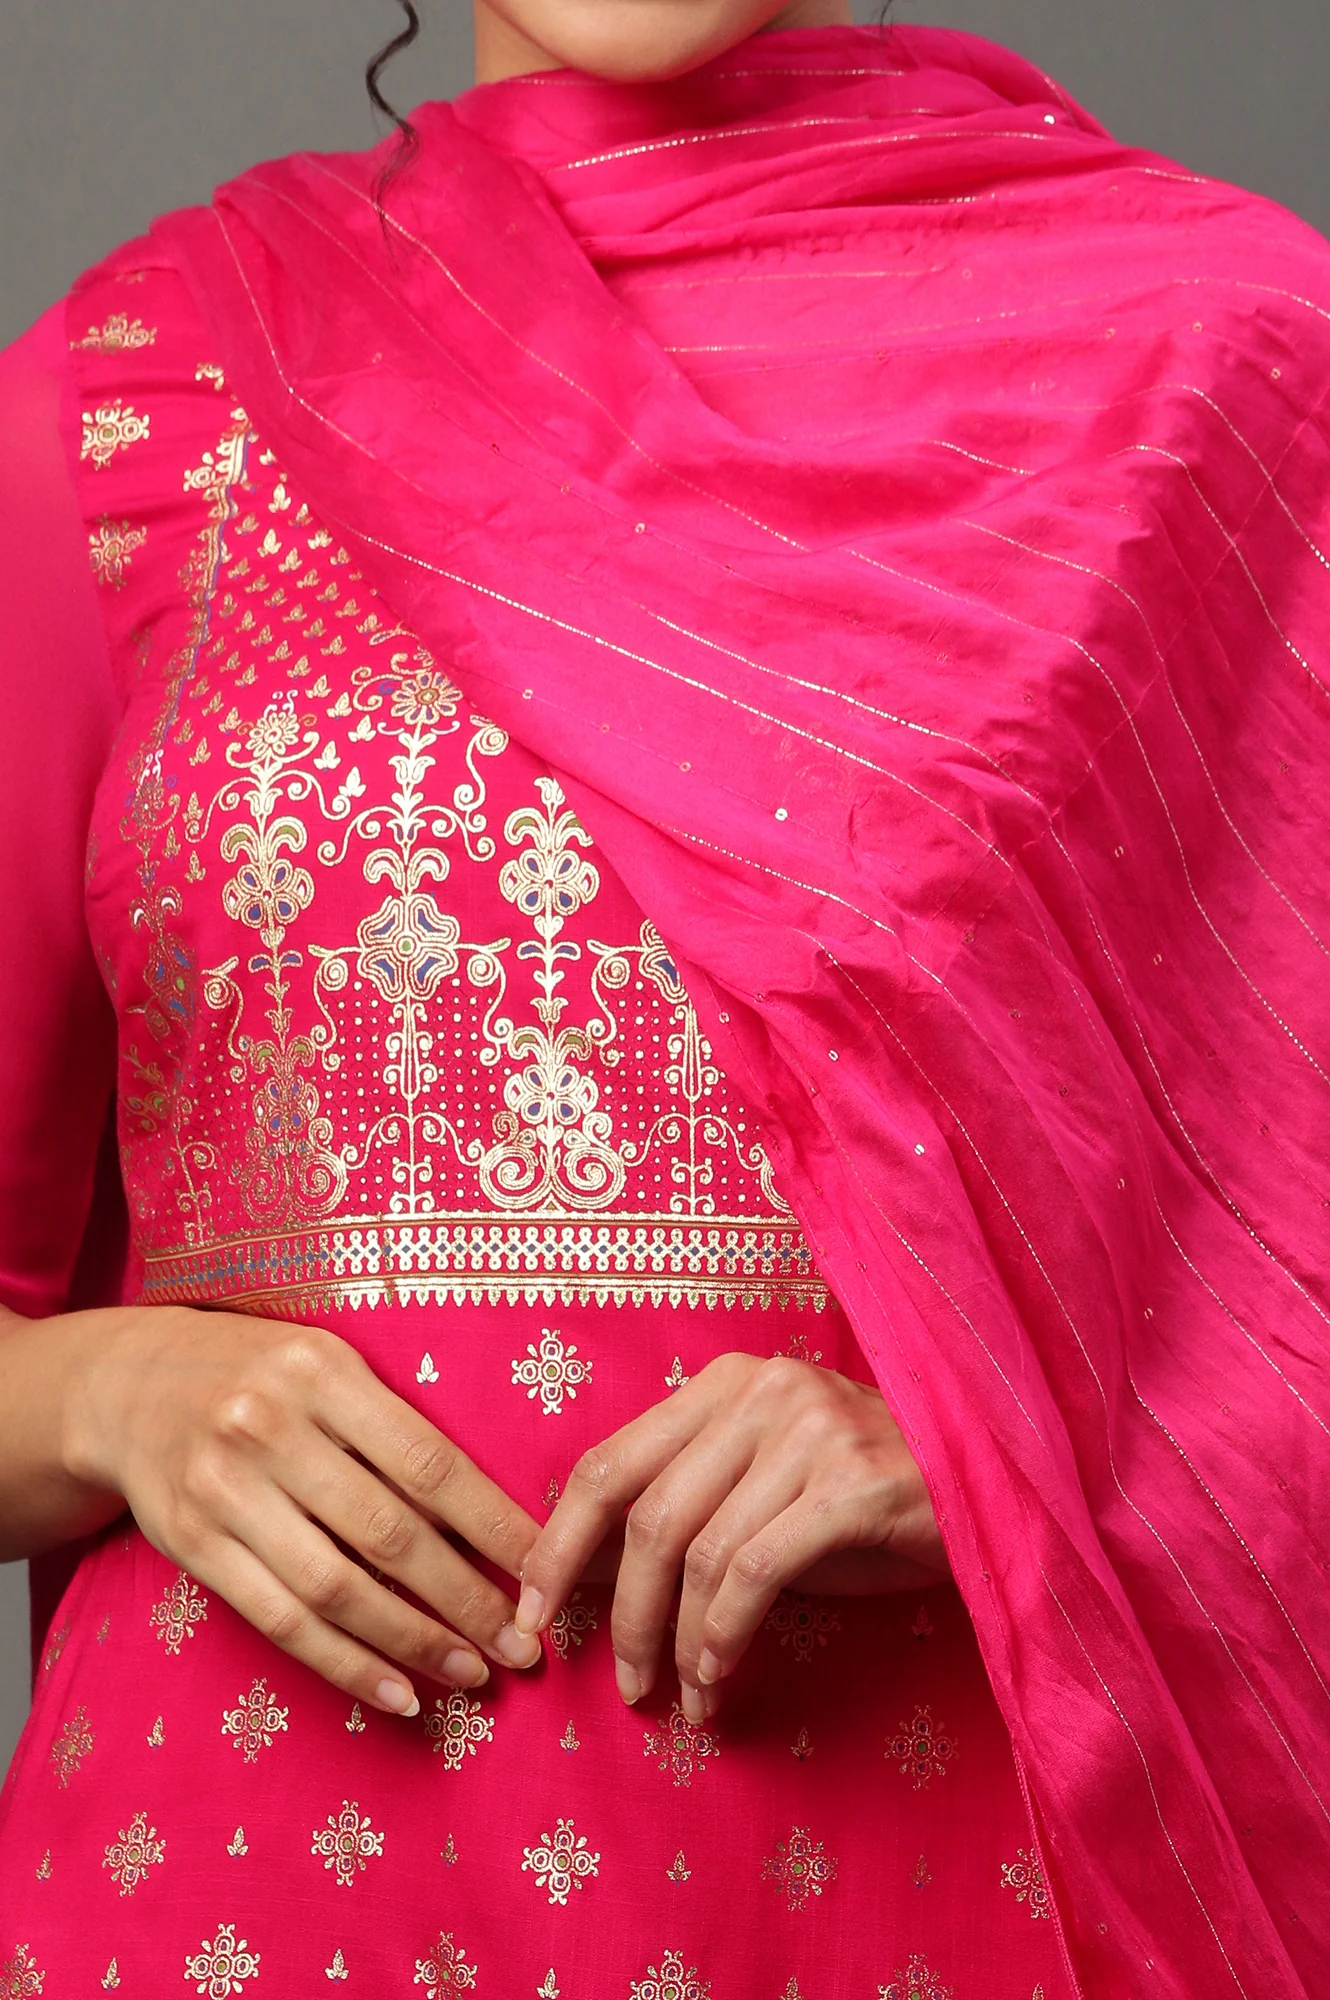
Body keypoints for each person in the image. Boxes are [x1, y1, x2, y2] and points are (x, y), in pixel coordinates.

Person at [0, 1, 1327, 1994]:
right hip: (227, 1905)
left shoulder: (1222, 371)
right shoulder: (134, 385)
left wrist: (1007, 1438)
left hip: (927, 1910)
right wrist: (113, 1397)